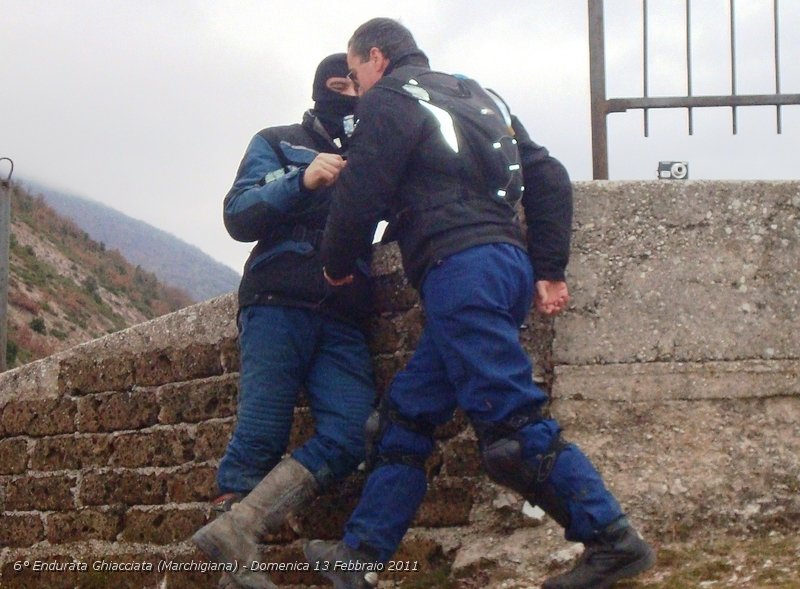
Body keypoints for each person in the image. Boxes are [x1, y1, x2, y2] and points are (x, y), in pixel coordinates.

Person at [304, 19, 655, 589]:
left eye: (355, 73)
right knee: (404, 418)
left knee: (512, 428)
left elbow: (360, 192)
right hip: (502, 268)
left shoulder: (389, 98)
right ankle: (360, 557)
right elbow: (549, 177)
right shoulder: (479, 93)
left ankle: (613, 540)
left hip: (460, 271)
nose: (356, 86)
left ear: (376, 58)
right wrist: (547, 268)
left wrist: (337, 266)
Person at [192, 53, 376, 589]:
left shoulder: (375, 151)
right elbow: (238, 215)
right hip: (275, 302)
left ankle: (239, 533)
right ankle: (236, 570)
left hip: (344, 316)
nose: (345, 93)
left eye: (354, 85)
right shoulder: (276, 139)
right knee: (259, 437)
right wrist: (303, 181)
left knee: (351, 435)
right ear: (318, 89)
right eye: (335, 84)